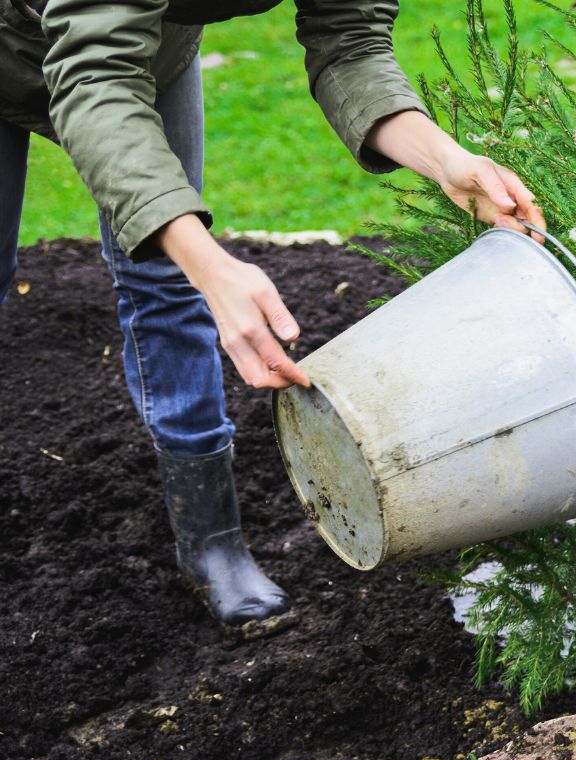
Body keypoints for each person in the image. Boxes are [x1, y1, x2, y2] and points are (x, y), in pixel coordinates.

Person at [0, 0, 546, 637]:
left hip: (143, 52)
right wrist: (209, 263)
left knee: (167, 278)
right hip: (73, 55)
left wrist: (445, 159)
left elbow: (350, 44)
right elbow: (95, 79)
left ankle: (212, 544)